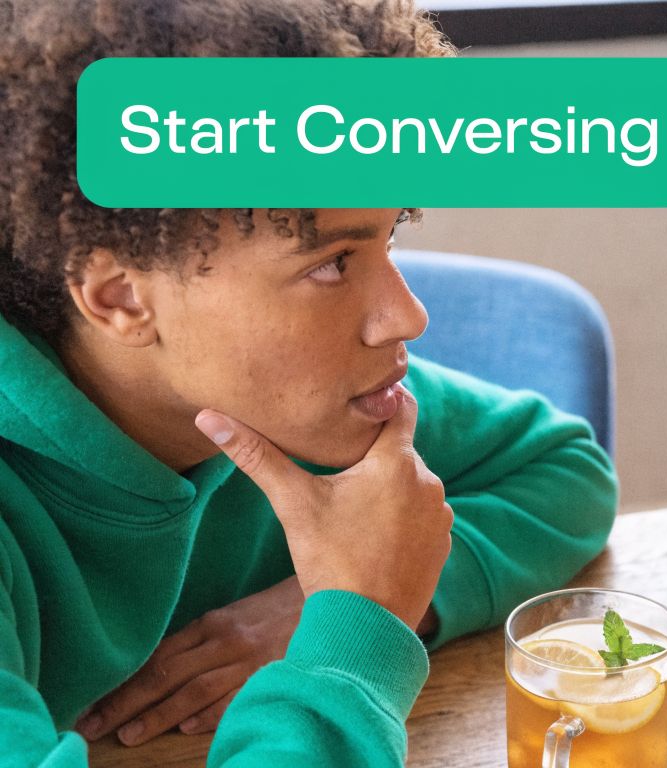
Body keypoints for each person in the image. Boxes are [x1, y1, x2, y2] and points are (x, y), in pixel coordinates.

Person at [0, 0, 618, 764]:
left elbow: (563, 470)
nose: (408, 315)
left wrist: (336, 606)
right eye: (331, 263)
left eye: (389, 236)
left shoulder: (304, 406)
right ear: (121, 297)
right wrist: (353, 640)